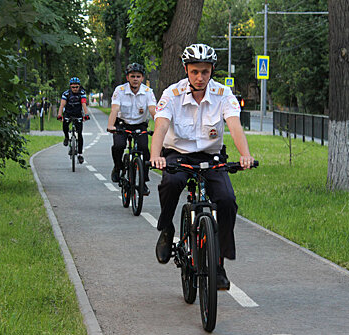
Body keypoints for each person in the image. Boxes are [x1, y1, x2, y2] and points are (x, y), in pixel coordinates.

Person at [150, 44, 254, 290]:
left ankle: (218, 264)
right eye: (195, 71)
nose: (200, 77)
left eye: (205, 72)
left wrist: (245, 155)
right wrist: (156, 155)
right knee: (170, 183)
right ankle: (166, 228)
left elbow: (234, 125)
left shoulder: (222, 93)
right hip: (178, 154)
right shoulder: (172, 94)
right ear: (186, 69)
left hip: (211, 156)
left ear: (211, 71)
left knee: (227, 200)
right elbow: (162, 127)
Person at [107, 63, 156, 194]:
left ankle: (143, 181)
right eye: (132, 76)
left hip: (140, 125)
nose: (135, 79)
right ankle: (118, 168)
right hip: (122, 123)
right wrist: (111, 125)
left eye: (138, 76)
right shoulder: (120, 90)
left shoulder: (148, 92)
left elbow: (153, 110)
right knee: (118, 146)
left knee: (144, 149)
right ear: (127, 77)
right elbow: (115, 109)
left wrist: (159, 127)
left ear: (142, 78)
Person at [57, 77, 90, 164]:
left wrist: (86, 115)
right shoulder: (66, 94)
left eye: (76, 87)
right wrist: (59, 115)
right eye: (73, 87)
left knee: (79, 134)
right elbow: (62, 105)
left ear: (79, 86)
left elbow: (84, 104)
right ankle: (67, 137)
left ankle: (80, 154)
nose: (75, 89)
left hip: (78, 113)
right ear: (70, 87)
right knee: (65, 125)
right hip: (68, 113)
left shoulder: (82, 93)